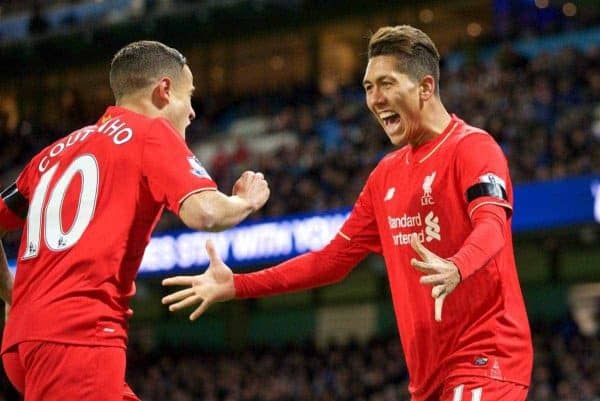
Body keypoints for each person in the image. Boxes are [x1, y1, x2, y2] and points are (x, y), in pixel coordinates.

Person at [162, 25, 533, 401]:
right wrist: (238, 285)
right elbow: (330, 261)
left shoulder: (472, 148)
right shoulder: (385, 174)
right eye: (368, 87)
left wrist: (457, 266)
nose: (374, 99)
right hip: (429, 377)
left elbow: (492, 226)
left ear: (425, 87)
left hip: (487, 358)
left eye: (386, 84)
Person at [0, 41, 269, 401]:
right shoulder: (150, 134)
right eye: (189, 96)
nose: (191, 112)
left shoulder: (52, 153)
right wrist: (245, 201)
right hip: (79, 339)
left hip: (25, 344)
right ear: (165, 90)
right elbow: (205, 211)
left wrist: (12, 294)